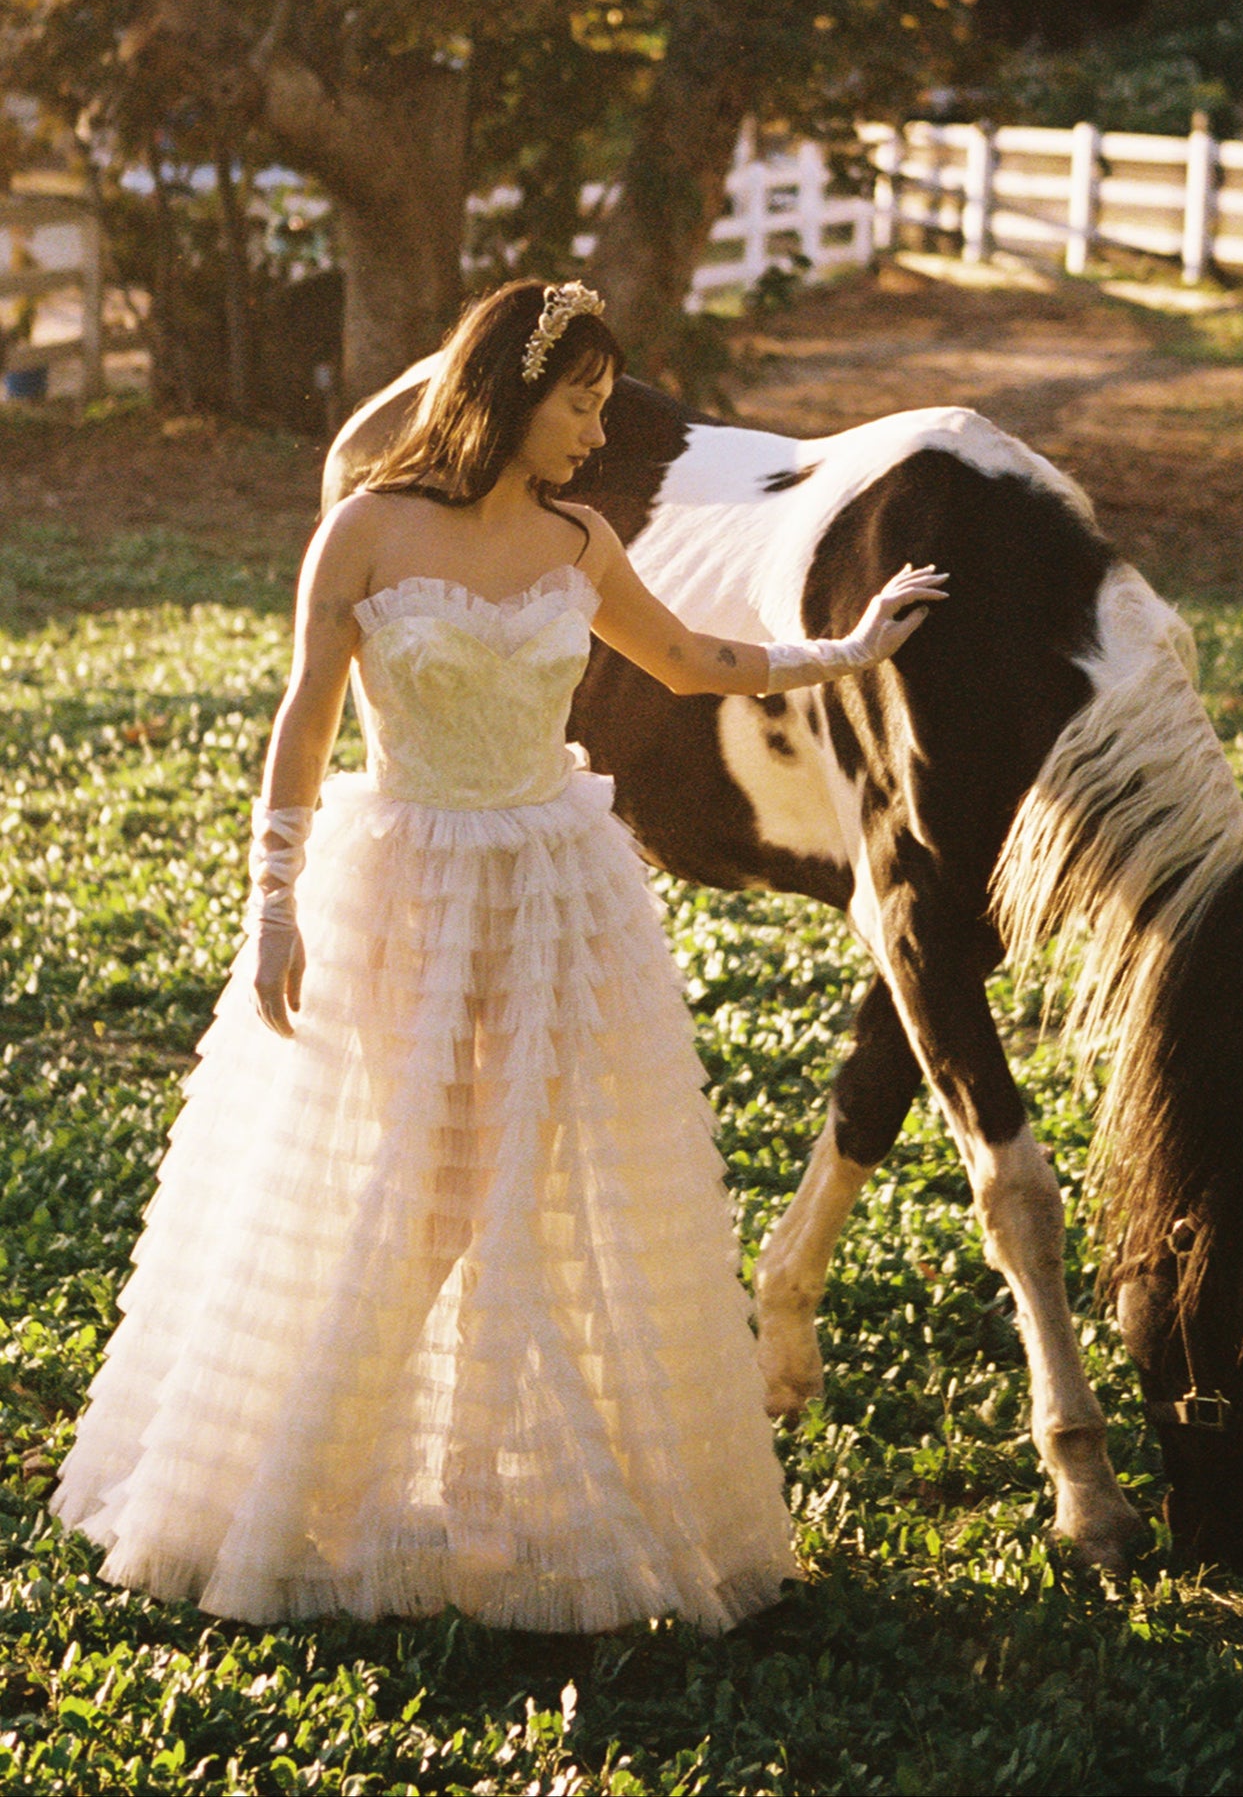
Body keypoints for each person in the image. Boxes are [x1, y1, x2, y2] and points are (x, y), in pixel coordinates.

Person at [51, 279, 947, 1633]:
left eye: (600, 404)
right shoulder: (366, 528)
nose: (597, 430)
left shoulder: (582, 542)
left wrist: (846, 647)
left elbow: (694, 659)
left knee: (515, 1183)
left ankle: (474, 1481)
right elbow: (303, 724)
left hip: (549, 885)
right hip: (406, 876)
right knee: (413, 1180)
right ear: (508, 397)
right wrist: (272, 905)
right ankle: (303, 1463)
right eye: (578, 404)